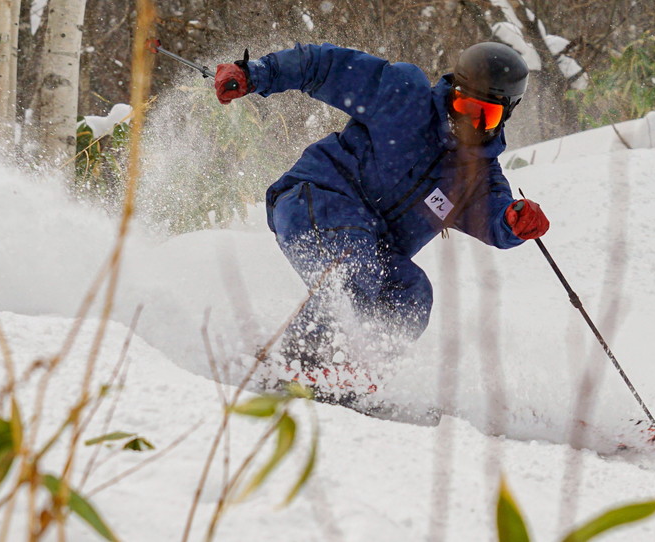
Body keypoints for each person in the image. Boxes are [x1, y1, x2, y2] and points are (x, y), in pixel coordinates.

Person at [213, 42, 549, 390]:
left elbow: (496, 217)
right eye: (463, 106)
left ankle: (352, 377)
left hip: (374, 244)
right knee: (353, 270)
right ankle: (298, 368)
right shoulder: (403, 94)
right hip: (316, 199)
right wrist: (255, 74)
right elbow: (323, 66)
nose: (467, 122)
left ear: (506, 113)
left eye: (485, 116)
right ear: (454, 91)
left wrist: (515, 220)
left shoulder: (476, 176)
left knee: (411, 295)